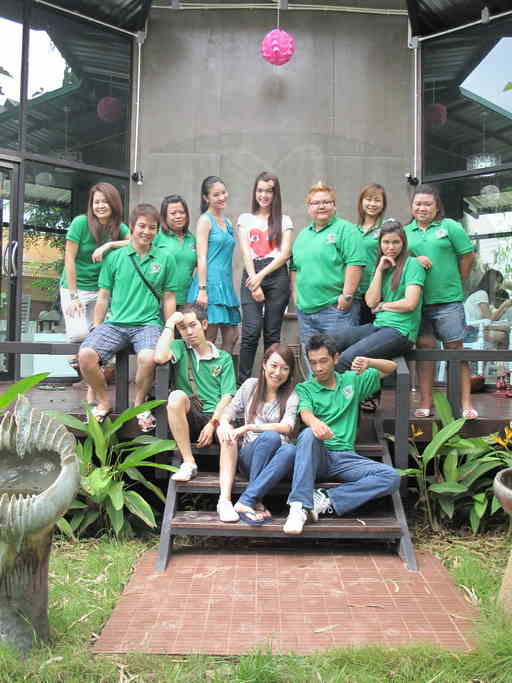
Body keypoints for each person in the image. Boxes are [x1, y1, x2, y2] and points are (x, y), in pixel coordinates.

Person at [282, 334, 400, 535]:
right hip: (317, 455)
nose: (318, 368)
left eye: (323, 361)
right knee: (308, 434)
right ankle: (299, 506)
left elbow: (391, 368)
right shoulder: (305, 388)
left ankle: (325, 499)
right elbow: (305, 412)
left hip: (345, 458)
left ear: (336, 358)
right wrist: (315, 423)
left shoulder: (351, 381)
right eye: (313, 363)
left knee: (392, 477)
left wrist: (369, 362)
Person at [78, 203, 177, 427]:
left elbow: (169, 297)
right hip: (115, 323)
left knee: (147, 358)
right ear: (132, 226)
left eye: (152, 227)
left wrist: (169, 330)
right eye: (142, 226)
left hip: (148, 324)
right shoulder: (115, 257)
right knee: (85, 355)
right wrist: (97, 325)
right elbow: (103, 296)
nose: (146, 231)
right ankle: (104, 402)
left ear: (157, 230)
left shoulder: (165, 258)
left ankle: (139, 405)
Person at [404, 184, 476, 419]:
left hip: (449, 302)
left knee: (456, 350)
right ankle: (426, 402)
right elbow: (399, 262)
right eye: (418, 204)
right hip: (418, 303)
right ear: (411, 206)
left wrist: (460, 279)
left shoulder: (450, 227)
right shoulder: (405, 232)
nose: (422, 208)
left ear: (437, 207)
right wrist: (414, 260)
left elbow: (467, 255)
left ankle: (465, 402)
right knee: (425, 352)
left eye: (427, 204)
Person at [154, 304, 237, 487]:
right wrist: (170, 323)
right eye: (183, 328)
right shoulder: (179, 347)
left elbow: (227, 396)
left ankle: (227, 492)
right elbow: (159, 357)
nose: (189, 332)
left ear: (204, 324)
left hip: (216, 417)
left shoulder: (223, 358)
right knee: (175, 396)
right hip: (190, 416)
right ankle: (188, 462)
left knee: (228, 432)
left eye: (193, 325)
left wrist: (213, 423)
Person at [217, 343, 298, 524]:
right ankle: (255, 499)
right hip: (249, 456)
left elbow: (287, 427)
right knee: (270, 437)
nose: (278, 373)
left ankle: (247, 500)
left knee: (290, 450)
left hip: (276, 462)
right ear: (264, 364)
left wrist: (249, 427)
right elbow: (230, 410)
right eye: (274, 365)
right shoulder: (250, 386)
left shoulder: (292, 395)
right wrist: (224, 423)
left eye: (285, 368)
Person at [59, 182, 129, 387]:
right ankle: (81, 365)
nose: (100, 206)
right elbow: (69, 259)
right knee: (79, 334)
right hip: (75, 287)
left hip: (100, 290)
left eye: (105, 202)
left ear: (114, 204)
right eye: (96, 202)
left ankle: (89, 380)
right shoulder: (80, 223)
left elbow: (135, 242)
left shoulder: (118, 227)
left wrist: (110, 244)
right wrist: (73, 296)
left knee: (98, 334)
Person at [333, 221, 425, 371]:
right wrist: (379, 271)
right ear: (380, 244)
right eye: (386, 242)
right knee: (327, 342)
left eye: (396, 242)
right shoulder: (382, 267)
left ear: (403, 243)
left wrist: (383, 306)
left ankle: (339, 387)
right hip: (379, 325)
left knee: (347, 359)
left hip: (400, 331)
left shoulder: (413, 264)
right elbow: (371, 302)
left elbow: (410, 303)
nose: (391, 247)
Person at [290, 182, 366, 346]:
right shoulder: (303, 235)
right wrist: (296, 297)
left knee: (339, 356)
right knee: (311, 358)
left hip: (336, 310)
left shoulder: (346, 230)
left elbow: (355, 263)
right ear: (309, 208)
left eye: (326, 202)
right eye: (316, 203)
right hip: (305, 313)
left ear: (334, 206)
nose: (321, 206)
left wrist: (347, 296)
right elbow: (294, 268)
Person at [237, 172, 294, 383]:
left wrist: (260, 277)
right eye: (260, 190)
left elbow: (285, 254)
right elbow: (245, 251)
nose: (264, 195)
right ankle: (242, 383)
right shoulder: (245, 219)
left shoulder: (284, 220)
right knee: (251, 331)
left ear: (275, 194)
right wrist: (254, 282)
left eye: (269, 191)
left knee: (272, 333)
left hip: (276, 274)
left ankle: (270, 383)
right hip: (252, 272)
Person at [187, 176, 240, 354]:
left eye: (223, 192)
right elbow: (201, 256)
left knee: (232, 336)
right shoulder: (205, 220)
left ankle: (221, 370)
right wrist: (202, 289)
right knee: (208, 336)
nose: (222, 197)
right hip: (208, 284)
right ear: (206, 198)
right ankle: (203, 372)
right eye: (216, 195)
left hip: (225, 284)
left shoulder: (228, 222)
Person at [154, 194, 197, 308]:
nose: (178, 216)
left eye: (182, 212)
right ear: (164, 216)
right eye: (173, 213)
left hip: (187, 301)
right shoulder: (157, 236)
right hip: (161, 302)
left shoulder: (192, 238)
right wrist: (111, 245)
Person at [355, 183, 388, 325]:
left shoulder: (387, 226)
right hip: (357, 293)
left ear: (383, 204)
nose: (372, 204)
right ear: (361, 201)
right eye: (368, 199)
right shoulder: (352, 230)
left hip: (381, 291)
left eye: (377, 200)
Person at [464, 269, 511, 349]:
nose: (499, 286)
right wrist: (503, 306)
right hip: (470, 331)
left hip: (477, 328)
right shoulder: (481, 294)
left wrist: (504, 309)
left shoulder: (483, 294)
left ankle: (496, 356)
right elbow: (489, 320)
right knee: (503, 336)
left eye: (500, 282)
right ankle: (499, 357)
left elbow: (490, 320)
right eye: (497, 282)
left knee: (505, 330)